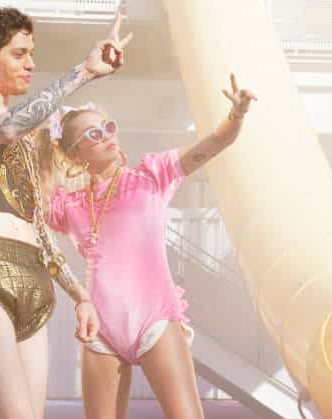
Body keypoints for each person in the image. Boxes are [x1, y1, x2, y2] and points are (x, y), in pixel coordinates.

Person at [0, 7, 132, 419]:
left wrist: (80, 295)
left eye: (31, 54)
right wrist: (84, 72)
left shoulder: (26, 141)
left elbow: (38, 225)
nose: (31, 64)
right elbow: (6, 126)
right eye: (19, 54)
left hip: (33, 275)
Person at [39, 74, 257, 419]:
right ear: (75, 154)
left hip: (155, 318)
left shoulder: (152, 176)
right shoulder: (69, 205)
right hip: (100, 327)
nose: (106, 135)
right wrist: (42, 130)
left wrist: (237, 115)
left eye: (108, 127)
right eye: (93, 134)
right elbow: (35, 192)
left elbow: (216, 142)